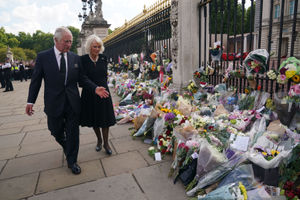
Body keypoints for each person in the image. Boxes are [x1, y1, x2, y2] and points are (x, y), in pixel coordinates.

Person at [25, 27, 109, 175]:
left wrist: (95, 88)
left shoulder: (74, 58)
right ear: (55, 40)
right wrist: (30, 101)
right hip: (53, 102)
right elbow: (36, 81)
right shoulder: (43, 57)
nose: (69, 44)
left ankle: (72, 161)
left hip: (72, 102)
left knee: (73, 133)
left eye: (70, 41)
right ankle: (66, 145)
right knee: (55, 131)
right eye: (66, 41)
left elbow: (82, 78)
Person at [80, 34, 116, 155]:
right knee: (94, 119)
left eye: (99, 46)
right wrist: (94, 88)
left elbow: (104, 75)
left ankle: (106, 143)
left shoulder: (103, 58)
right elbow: (82, 78)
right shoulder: (83, 60)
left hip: (104, 92)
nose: (97, 49)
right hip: (90, 93)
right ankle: (99, 140)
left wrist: (102, 87)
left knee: (105, 119)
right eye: (95, 46)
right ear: (89, 47)